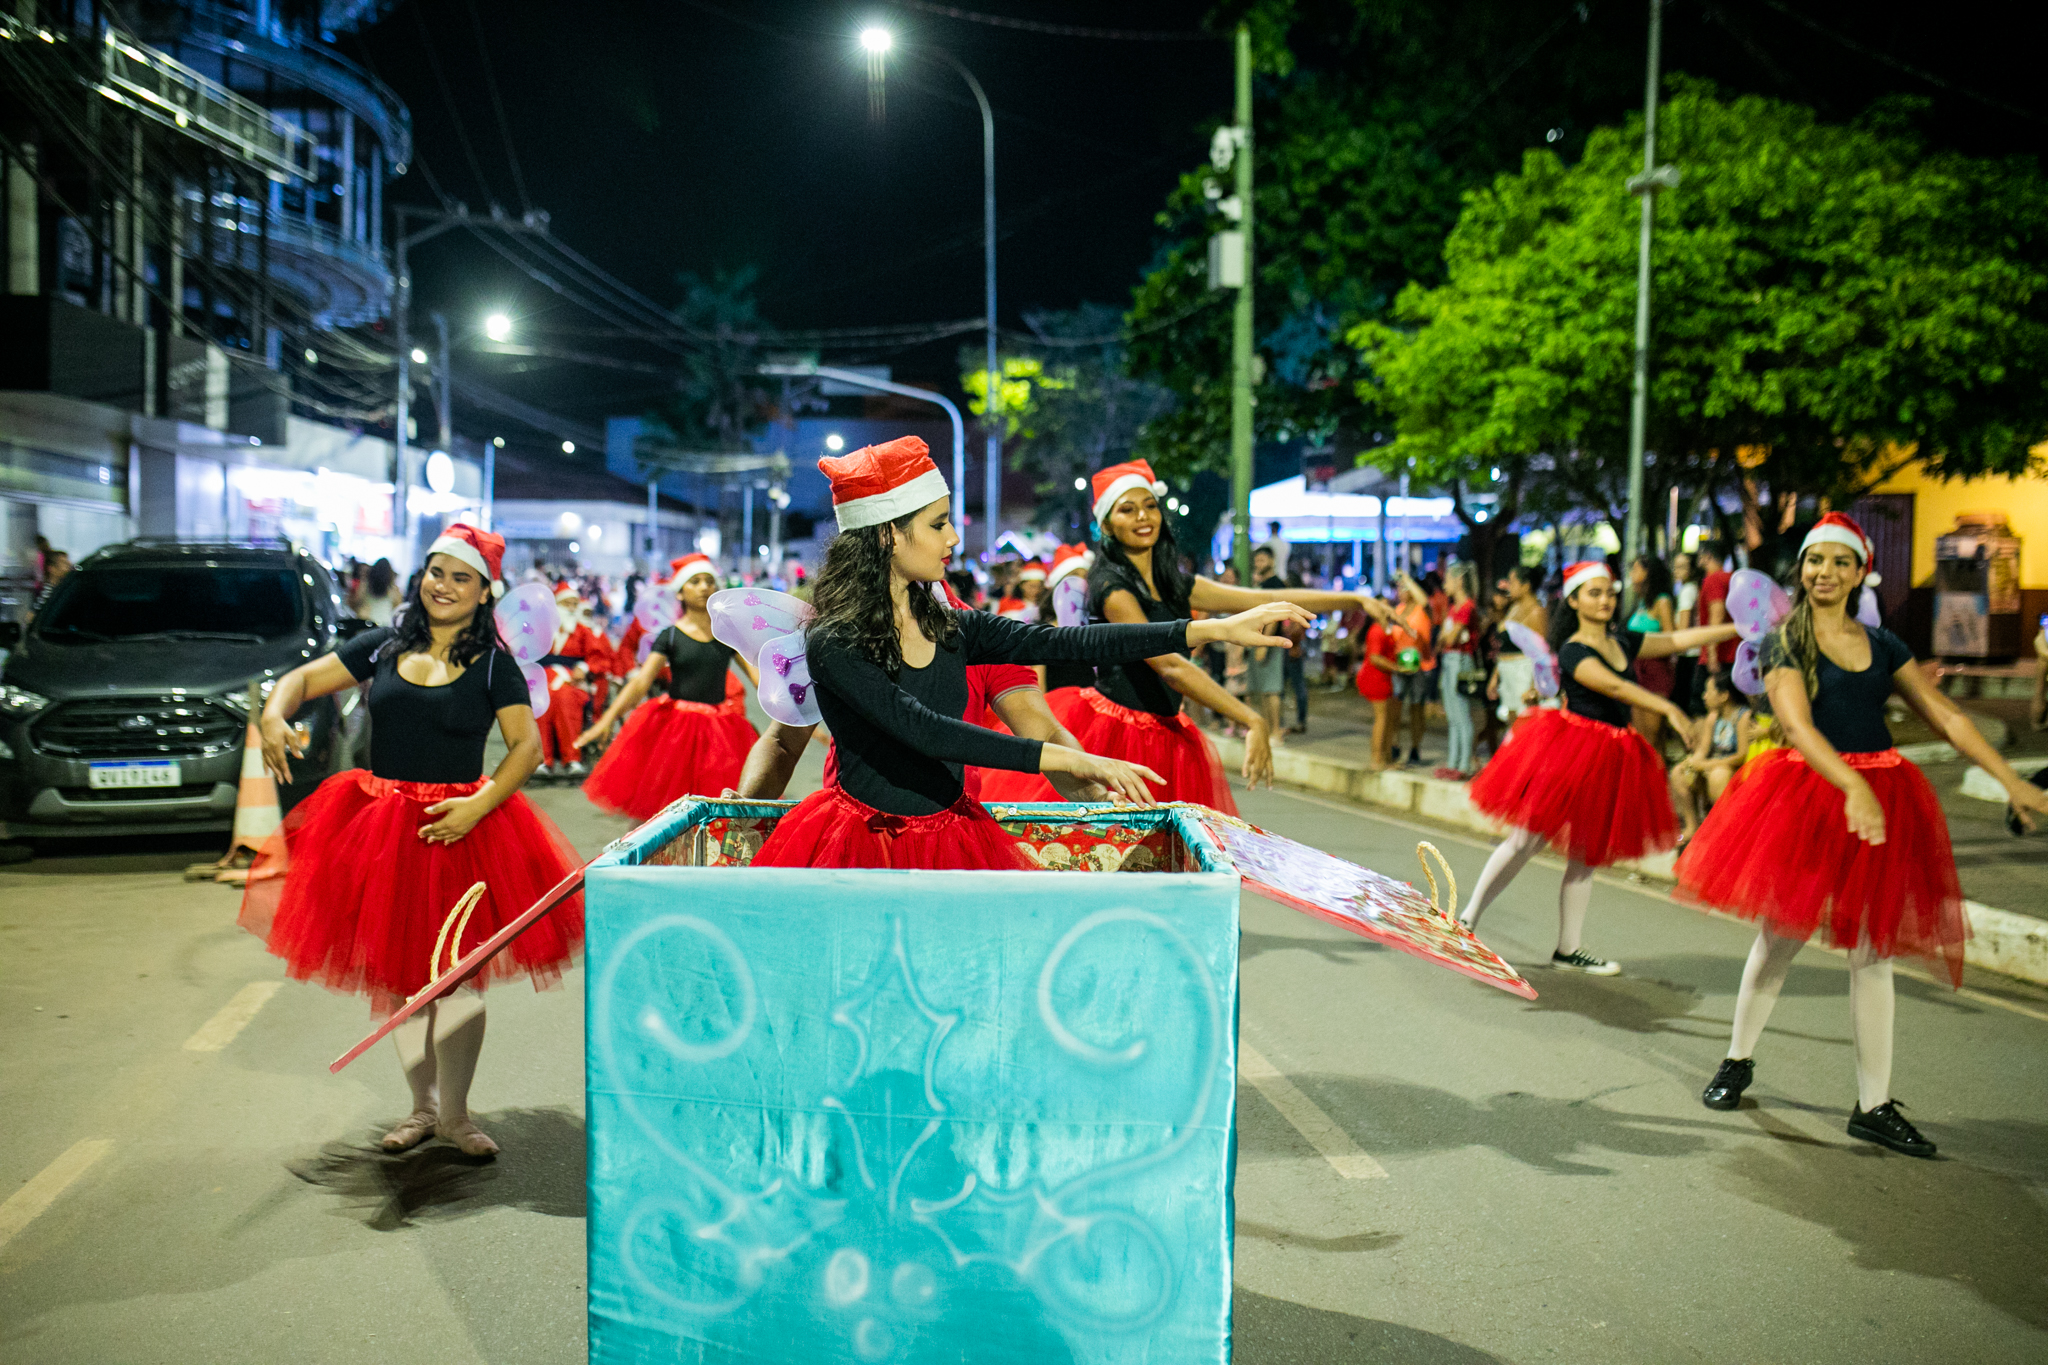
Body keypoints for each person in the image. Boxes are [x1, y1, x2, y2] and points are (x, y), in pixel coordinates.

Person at [740, 438, 1312, 869]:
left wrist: (1214, 630)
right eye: (939, 525)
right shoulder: (832, 639)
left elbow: (1062, 639)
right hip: (859, 848)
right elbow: (926, 732)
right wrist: (1072, 760)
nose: (954, 540)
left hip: (951, 835)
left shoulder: (948, 623)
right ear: (889, 533)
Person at [1678, 513, 2048, 1156]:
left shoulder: (1884, 645)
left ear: (1859, 572)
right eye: (1814, 561)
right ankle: (1738, 1058)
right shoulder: (1784, 642)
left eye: (1838, 562)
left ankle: (1872, 1104)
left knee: (1874, 950)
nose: (1824, 572)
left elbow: (1949, 718)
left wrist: (2014, 784)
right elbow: (1795, 725)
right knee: (1781, 937)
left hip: (1884, 794)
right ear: (1802, 570)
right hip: (1808, 799)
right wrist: (1851, 789)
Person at [237, 524, 582, 1158]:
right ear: (419, 577)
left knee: (458, 976)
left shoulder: (494, 668)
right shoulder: (380, 646)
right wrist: (272, 714)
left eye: (461, 577)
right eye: (436, 572)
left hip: (464, 830)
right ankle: (421, 1108)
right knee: (401, 980)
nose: (444, 586)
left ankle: (455, 1113)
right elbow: (299, 682)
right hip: (383, 827)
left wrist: (477, 806)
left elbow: (526, 749)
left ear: (484, 593)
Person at [1040, 460, 1387, 813]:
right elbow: (1171, 667)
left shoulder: (1173, 582)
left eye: (1149, 506)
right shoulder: (1111, 589)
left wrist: (1355, 599)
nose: (1142, 517)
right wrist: (1251, 718)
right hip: (1118, 736)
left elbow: (1262, 599)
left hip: (1170, 730)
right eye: (1127, 510)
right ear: (1107, 525)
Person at [1459, 560, 1739, 975]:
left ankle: (1568, 949)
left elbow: (1678, 639)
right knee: (1526, 841)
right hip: (1569, 749)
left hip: (1612, 756)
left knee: (1586, 856)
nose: (1605, 599)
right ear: (1573, 600)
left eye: (1609, 592)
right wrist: (1668, 708)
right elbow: (1613, 685)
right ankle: (1465, 920)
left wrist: (1736, 630)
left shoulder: (1623, 640)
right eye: (1594, 593)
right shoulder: (1573, 649)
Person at [576, 553, 761, 819]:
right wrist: (605, 722)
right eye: (694, 581)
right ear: (680, 593)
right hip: (676, 731)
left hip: (721, 731)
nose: (704, 587)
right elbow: (641, 682)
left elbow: (758, 679)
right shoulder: (671, 635)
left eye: (709, 581)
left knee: (718, 812)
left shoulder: (728, 634)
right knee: (666, 813)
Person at [1670, 669, 1747, 841]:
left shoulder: (1743, 716)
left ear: (1724, 696)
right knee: (1679, 772)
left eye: (1709, 691)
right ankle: (1692, 825)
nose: (1704, 696)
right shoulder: (1713, 718)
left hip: (1733, 768)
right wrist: (1691, 763)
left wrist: (1706, 765)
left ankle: (1724, 828)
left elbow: (1741, 755)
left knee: (1718, 775)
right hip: (1714, 764)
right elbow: (1703, 750)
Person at [1626, 555, 1679, 746]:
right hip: (1636, 672)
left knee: (1653, 735)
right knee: (1638, 734)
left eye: (1636, 569)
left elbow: (1671, 639)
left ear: (1648, 573)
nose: (1632, 574)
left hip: (1656, 670)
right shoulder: (1641, 603)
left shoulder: (1662, 602)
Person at [1435, 564, 1480, 780]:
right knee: (1453, 715)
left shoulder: (1467, 607)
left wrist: (1447, 634)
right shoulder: (1454, 608)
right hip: (1450, 659)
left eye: (1448, 580)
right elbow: (1443, 638)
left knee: (1461, 714)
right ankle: (1453, 762)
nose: (1445, 585)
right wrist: (1447, 634)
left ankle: (1464, 765)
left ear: (1459, 581)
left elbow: (1449, 638)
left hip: (1461, 661)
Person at [1487, 565, 1548, 723]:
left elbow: (1541, 652)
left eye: (1512, 582)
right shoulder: (1514, 608)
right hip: (1507, 671)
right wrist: (1496, 676)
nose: (1509, 586)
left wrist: (1535, 686)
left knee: (1524, 724)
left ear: (1526, 585)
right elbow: (1504, 648)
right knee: (1511, 723)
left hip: (1524, 672)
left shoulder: (1536, 611)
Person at [1389, 574, 1437, 766]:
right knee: (1396, 706)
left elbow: (1424, 600)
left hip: (1420, 665)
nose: (1401, 592)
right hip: (1399, 665)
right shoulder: (1398, 610)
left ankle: (1416, 747)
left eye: (1405, 588)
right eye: (1399, 588)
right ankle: (1394, 743)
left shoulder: (1421, 609)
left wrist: (1407, 579)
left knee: (1416, 707)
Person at [1358, 602, 1404, 771]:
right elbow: (1375, 657)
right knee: (1382, 719)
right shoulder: (1377, 630)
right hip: (1376, 678)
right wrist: (1397, 668)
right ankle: (1377, 759)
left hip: (1384, 678)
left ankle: (1385, 758)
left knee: (1388, 720)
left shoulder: (1386, 629)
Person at [1692, 545, 1736, 711]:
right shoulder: (1730, 577)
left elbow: (1716, 613)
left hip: (1718, 656)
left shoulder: (1713, 579)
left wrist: (1711, 653)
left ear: (1707, 555)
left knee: (1702, 709)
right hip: (1731, 655)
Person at [1671, 551, 1700, 711]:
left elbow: (1683, 626)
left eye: (1681, 567)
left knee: (1683, 702)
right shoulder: (1693, 588)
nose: (1677, 571)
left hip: (1687, 653)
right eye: (1675, 567)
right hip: (1693, 651)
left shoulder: (1687, 591)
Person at [357, 558, 404, 626]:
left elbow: (357, 602)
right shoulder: (394, 590)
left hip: (366, 622)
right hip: (385, 624)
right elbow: (398, 608)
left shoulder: (365, 586)